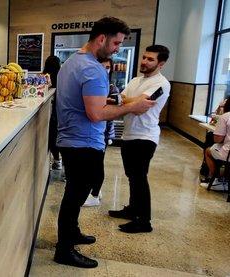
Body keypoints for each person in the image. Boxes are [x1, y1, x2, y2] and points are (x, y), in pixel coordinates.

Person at [54, 17, 155, 268]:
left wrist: (114, 104)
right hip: (83, 142)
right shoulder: (93, 69)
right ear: (102, 38)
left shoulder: (72, 62)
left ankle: (72, 232)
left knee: (77, 192)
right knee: (75, 194)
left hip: (72, 139)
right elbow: (96, 114)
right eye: (116, 43)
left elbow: (89, 104)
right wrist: (133, 108)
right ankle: (64, 249)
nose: (118, 49)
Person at [108, 45, 171, 233]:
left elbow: (138, 102)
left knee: (139, 178)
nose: (144, 61)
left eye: (150, 59)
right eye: (144, 57)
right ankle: (133, 209)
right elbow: (125, 99)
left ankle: (144, 221)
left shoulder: (161, 83)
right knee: (132, 176)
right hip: (128, 134)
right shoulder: (136, 80)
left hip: (145, 136)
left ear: (161, 63)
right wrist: (126, 101)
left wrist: (124, 100)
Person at [82, 57, 119, 207]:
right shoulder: (91, 86)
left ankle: (95, 194)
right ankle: (95, 188)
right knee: (92, 165)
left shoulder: (112, 89)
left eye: (107, 67)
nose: (104, 70)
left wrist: (109, 135)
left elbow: (112, 114)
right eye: (101, 66)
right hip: (90, 131)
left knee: (98, 164)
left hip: (102, 133)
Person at [202, 99, 230, 191]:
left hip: (228, 153)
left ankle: (218, 180)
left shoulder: (226, 116)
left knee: (208, 150)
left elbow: (217, 139)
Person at [43, 55, 62, 170]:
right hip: (60, 112)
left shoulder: (45, 77)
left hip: (51, 113)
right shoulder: (62, 77)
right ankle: (60, 161)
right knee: (58, 136)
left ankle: (55, 160)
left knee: (52, 136)